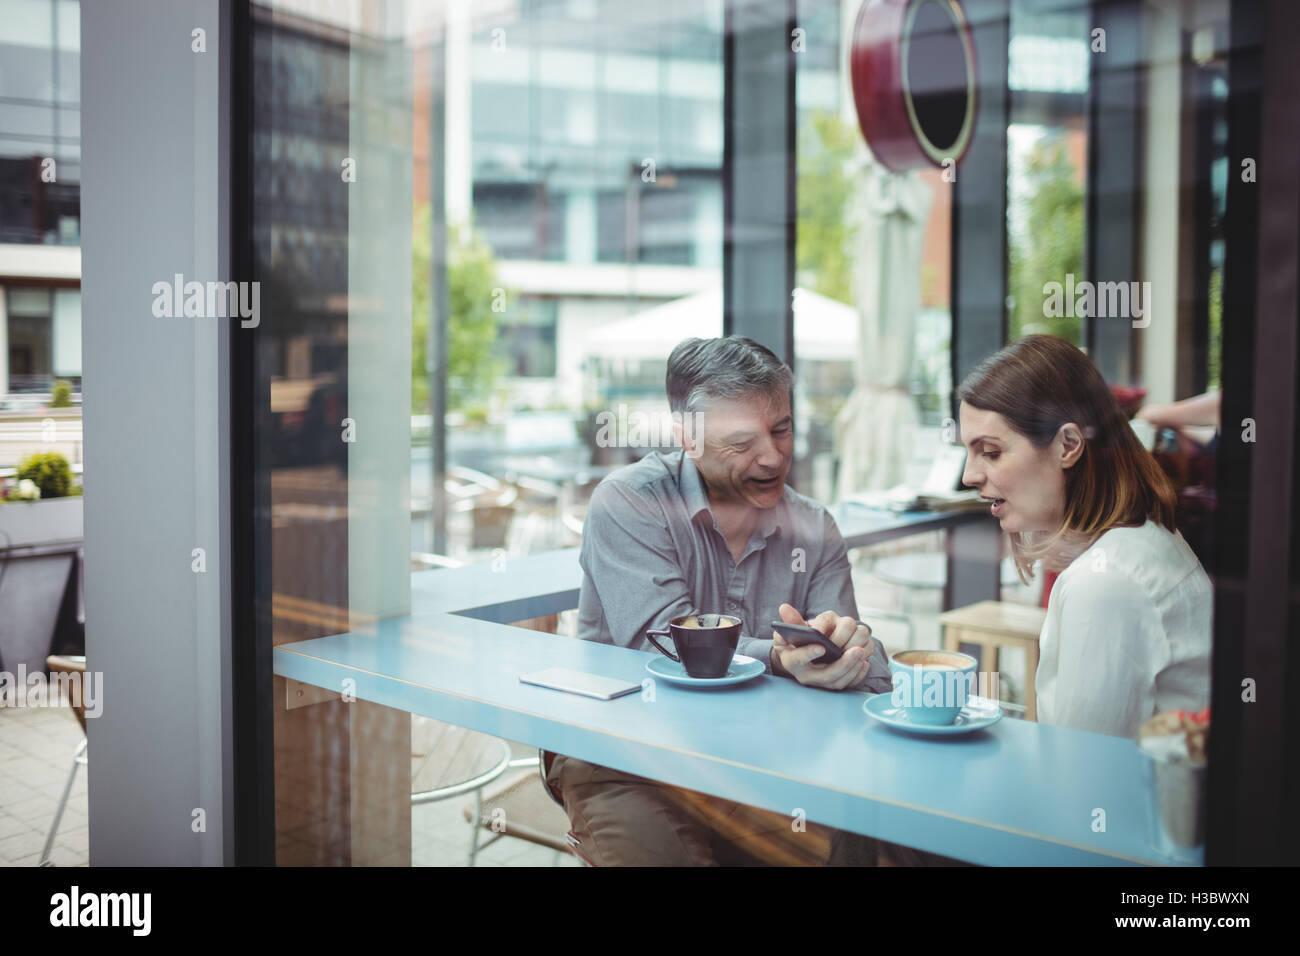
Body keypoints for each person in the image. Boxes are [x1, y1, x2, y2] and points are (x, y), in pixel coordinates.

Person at [546, 335, 892, 866]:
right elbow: (664, 641)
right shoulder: (629, 502)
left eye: (782, 430)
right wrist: (778, 659)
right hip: (625, 754)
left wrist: (849, 655)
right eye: (743, 442)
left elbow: (864, 667)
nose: (773, 457)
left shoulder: (815, 528)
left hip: (764, 758)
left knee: (874, 845)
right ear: (687, 437)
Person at [956, 335, 1212, 738]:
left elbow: (1080, 773)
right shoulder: (1135, 542)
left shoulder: (1105, 583)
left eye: (990, 451)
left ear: (1068, 445)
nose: (969, 475)